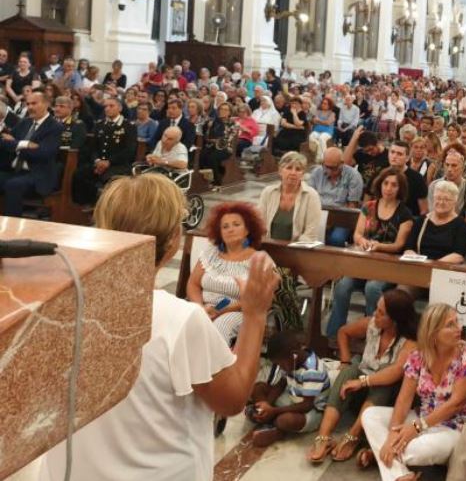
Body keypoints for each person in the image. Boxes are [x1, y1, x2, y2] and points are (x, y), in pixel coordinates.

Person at [39, 173, 280, 481]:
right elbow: (232, 400)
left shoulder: (57, 308)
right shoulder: (180, 319)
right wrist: (256, 314)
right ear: (171, 242)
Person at [360, 303, 466, 481]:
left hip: (454, 428)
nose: (459, 328)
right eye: (450, 325)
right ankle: (399, 474)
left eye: (457, 322)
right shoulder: (418, 356)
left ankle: (381, 455)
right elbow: (404, 399)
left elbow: (455, 404)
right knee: (370, 415)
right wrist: (394, 433)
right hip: (422, 418)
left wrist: (416, 428)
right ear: (433, 333)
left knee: (413, 450)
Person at [308, 290, 418, 465]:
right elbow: (343, 332)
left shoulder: (410, 342)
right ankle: (324, 436)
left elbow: (396, 371)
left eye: (381, 312)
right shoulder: (372, 324)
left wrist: (363, 382)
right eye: (377, 309)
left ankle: (354, 435)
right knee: (349, 370)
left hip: (388, 397)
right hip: (362, 389)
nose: (375, 314)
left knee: (384, 376)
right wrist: (344, 361)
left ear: (395, 320)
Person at [327, 167, 414, 338]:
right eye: (386, 183)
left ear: (400, 189)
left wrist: (379, 246)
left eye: (394, 185)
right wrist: (362, 241)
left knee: (372, 288)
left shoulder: (404, 213)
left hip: (387, 263)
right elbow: (357, 234)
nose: (388, 188)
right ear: (380, 185)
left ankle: (372, 336)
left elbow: (399, 245)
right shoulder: (369, 206)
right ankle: (334, 335)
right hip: (363, 260)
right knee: (342, 287)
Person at [186, 201, 270, 345]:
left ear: (247, 230)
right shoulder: (210, 254)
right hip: (204, 308)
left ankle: (215, 367)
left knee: (220, 327)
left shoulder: (259, 259)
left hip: (239, 311)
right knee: (184, 323)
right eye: (225, 227)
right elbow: (193, 284)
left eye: (236, 225)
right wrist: (200, 308)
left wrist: (222, 310)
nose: (230, 229)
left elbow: (261, 299)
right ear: (220, 233)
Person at [245, 330, 330, 447]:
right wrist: (267, 406)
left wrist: (273, 411)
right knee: (258, 388)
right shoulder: (291, 360)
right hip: (292, 397)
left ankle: (278, 431)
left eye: (281, 365)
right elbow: (281, 384)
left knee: (285, 420)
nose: (281, 368)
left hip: (311, 411)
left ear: (294, 355)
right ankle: (266, 417)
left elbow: (307, 405)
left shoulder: (312, 371)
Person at [0, 91, 63, 216]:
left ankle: (12, 228)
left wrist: (16, 144)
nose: (30, 107)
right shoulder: (25, 122)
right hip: (15, 171)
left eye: (34, 103)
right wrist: (25, 144)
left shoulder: (55, 127)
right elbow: (3, 141)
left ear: (46, 104)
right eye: (28, 104)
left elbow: (43, 153)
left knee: (13, 185)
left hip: (37, 175)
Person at [72, 97, 138, 205]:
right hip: (99, 163)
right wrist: (97, 161)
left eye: (111, 106)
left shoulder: (128, 126)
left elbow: (129, 151)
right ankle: (84, 206)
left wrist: (109, 162)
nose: (107, 109)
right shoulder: (99, 124)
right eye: (105, 106)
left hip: (118, 165)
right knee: (79, 174)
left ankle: (106, 208)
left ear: (120, 108)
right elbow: (93, 147)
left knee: (109, 178)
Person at [258, 151, 323, 243]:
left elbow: (311, 233)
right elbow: (260, 225)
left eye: (298, 169)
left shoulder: (311, 195)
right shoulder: (268, 192)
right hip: (270, 246)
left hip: (298, 250)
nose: (293, 173)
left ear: (303, 174)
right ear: (280, 171)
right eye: (289, 168)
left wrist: (293, 250)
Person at [308, 147, 364, 246]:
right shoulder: (316, 172)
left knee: (336, 239)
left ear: (342, 163)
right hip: (318, 213)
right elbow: (309, 198)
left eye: (333, 168)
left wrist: (331, 221)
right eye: (326, 167)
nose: (329, 171)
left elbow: (352, 206)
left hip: (342, 217)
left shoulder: (354, 176)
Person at [404, 180, 466, 263]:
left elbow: (458, 255)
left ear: (455, 202)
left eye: (447, 199)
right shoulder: (421, 220)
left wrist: (434, 265)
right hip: (420, 267)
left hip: (444, 269)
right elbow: (408, 249)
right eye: (438, 198)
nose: (441, 202)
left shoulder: (460, 224)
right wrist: (419, 262)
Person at [427, 149, 466, 224]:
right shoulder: (434, 186)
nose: (449, 169)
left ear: (463, 168)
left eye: (454, 165)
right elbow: (432, 215)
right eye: (447, 165)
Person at [200, 102, 239, 186]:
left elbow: (228, 140)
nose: (223, 111)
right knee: (202, 155)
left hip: (226, 148)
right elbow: (206, 136)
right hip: (212, 145)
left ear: (230, 112)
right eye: (221, 109)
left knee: (212, 157)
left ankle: (216, 180)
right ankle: (203, 179)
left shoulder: (233, 124)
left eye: (225, 110)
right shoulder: (213, 121)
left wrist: (215, 141)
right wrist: (208, 127)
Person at [345, 127, 390, 194]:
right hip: (360, 190)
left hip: (377, 192)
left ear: (377, 143)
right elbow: (345, 164)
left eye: (371, 149)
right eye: (366, 151)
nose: (369, 153)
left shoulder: (388, 155)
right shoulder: (362, 153)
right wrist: (354, 139)